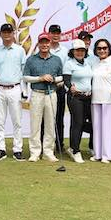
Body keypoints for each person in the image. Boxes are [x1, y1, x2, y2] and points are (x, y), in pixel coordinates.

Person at [23, 33, 63, 161]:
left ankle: (48, 152)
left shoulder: (57, 60)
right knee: (35, 124)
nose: (44, 45)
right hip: (37, 94)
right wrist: (40, 78)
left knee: (50, 124)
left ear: (50, 43)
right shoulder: (31, 59)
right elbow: (25, 77)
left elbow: (62, 77)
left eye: (47, 42)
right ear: (38, 44)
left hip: (51, 94)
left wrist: (53, 79)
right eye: (42, 42)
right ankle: (34, 152)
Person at [0, 22, 26, 161]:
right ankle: (1, 149)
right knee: (0, 121)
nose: (7, 35)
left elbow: (24, 72)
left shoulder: (20, 50)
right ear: (0, 34)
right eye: (4, 32)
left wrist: (24, 91)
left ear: (13, 34)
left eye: (9, 32)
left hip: (15, 88)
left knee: (17, 121)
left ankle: (17, 149)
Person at [90, 39, 111, 163]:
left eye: (104, 48)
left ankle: (107, 155)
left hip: (109, 99)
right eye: (99, 48)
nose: (102, 50)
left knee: (108, 129)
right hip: (95, 99)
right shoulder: (94, 63)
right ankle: (98, 154)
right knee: (97, 127)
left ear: (109, 49)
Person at [62, 39, 93, 163]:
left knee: (90, 123)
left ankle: (87, 147)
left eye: (82, 50)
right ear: (73, 51)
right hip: (75, 97)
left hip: (88, 97)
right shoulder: (69, 64)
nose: (80, 52)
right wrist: (71, 87)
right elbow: (66, 80)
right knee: (78, 123)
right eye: (77, 50)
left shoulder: (87, 63)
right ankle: (75, 150)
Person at [47, 24, 69, 155]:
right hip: (45, 88)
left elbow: (66, 71)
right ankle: (45, 145)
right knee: (46, 119)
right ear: (49, 34)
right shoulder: (44, 47)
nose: (55, 35)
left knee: (59, 118)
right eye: (53, 33)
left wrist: (60, 82)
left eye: (58, 33)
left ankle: (59, 144)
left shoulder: (65, 51)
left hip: (59, 88)